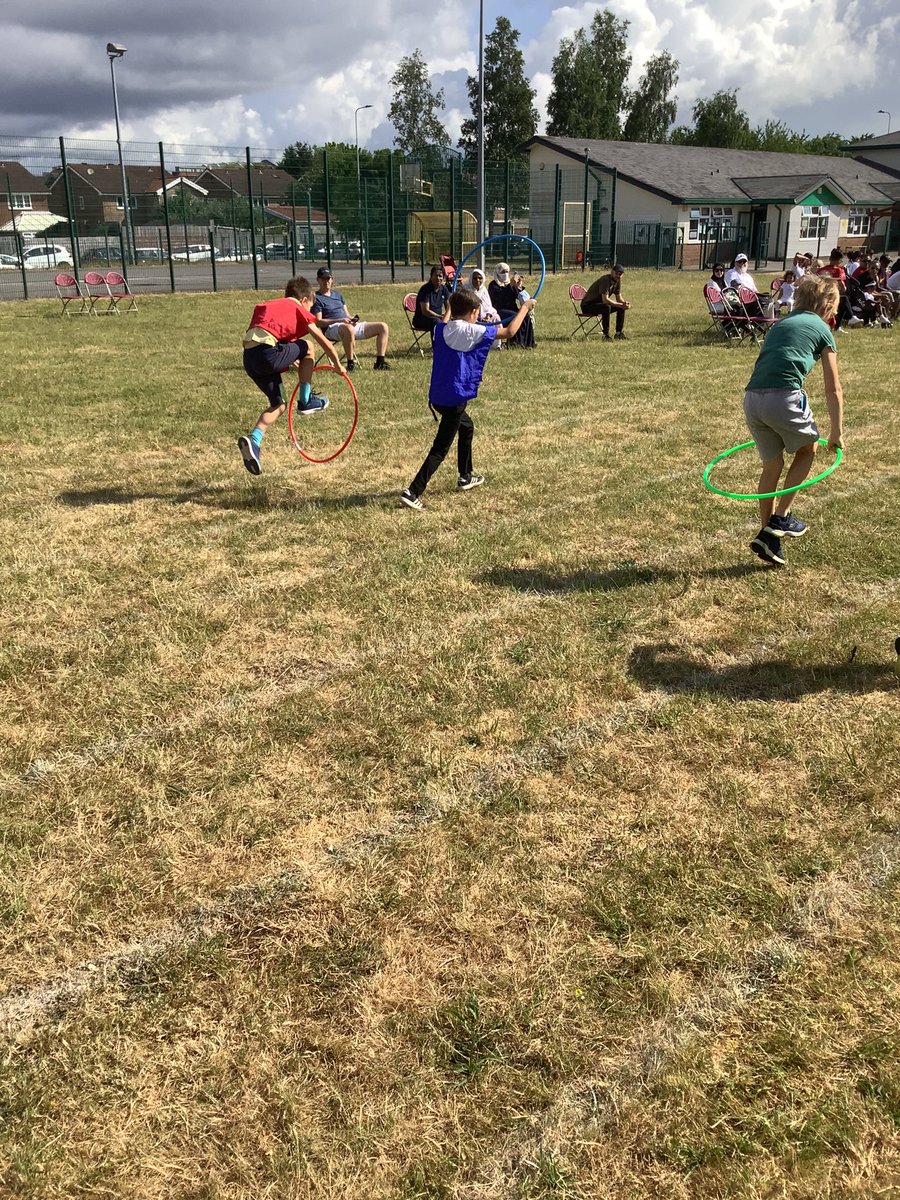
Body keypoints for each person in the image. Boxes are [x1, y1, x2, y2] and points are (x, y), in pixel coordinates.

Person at [398, 287, 536, 510]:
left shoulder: (441, 329)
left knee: (467, 426)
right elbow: (510, 332)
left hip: (438, 397)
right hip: (454, 398)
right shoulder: (473, 331)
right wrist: (524, 308)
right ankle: (413, 491)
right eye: (477, 312)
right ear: (473, 311)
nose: (478, 317)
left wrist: (450, 306)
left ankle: (465, 475)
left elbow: (445, 320)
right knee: (440, 448)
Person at [741, 274, 844, 566]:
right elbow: (833, 387)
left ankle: (767, 536)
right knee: (808, 449)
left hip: (753, 399)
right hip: (783, 397)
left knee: (772, 465)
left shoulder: (780, 323)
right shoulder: (823, 330)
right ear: (827, 307)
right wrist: (836, 432)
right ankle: (782, 518)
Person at [237, 276, 347, 476]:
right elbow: (323, 341)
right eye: (310, 308)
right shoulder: (297, 307)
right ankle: (305, 401)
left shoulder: (273, 306)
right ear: (304, 300)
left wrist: (289, 357)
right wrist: (338, 365)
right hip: (267, 354)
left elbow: (268, 334)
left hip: (250, 358)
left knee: (278, 405)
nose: (310, 313)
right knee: (309, 347)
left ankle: (253, 441)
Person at [311, 267, 391, 371]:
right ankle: (350, 364)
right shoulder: (316, 298)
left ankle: (380, 362)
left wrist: (352, 319)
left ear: (332, 279)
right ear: (318, 280)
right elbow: (318, 322)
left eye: (328, 278)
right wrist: (340, 321)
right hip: (331, 328)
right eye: (323, 279)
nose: (326, 281)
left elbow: (347, 314)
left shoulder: (337, 295)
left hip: (347, 324)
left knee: (382, 327)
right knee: (348, 328)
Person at [488, 263, 536, 347]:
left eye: (507, 271)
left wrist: (519, 287)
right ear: (497, 272)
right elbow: (500, 298)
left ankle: (527, 343)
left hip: (512, 309)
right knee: (515, 317)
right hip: (499, 311)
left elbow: (523, 298)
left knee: (525, 316)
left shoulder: (510, 284)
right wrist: (510, 285)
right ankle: (515, 343)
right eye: (503, 272)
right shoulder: (493, 285)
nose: (505, 274)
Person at [580, 262, 630, 340]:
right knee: (606, 307)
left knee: (621, 307)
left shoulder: (617, 281)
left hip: (600, 304)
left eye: (620, 274)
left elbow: (619, 297)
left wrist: (624, 304)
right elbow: (605, 300)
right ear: (612, 272)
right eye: (616, 273)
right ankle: (605, 335)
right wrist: (620, 304)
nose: (618, 276)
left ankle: (618, 333)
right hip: (587, 306)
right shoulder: (605, 280)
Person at [413, 265, 450, 342]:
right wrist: (440, 317)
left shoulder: (444, 289)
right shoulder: (425, 290)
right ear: (431, 276)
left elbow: (448, 307)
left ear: (443, 278)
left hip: (438, 318)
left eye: (440, 276)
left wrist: (450, 317)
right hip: (421, 319)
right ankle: (436, 348)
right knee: (436, 322)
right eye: (435, 275)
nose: (438, 278)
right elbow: (425, 311)